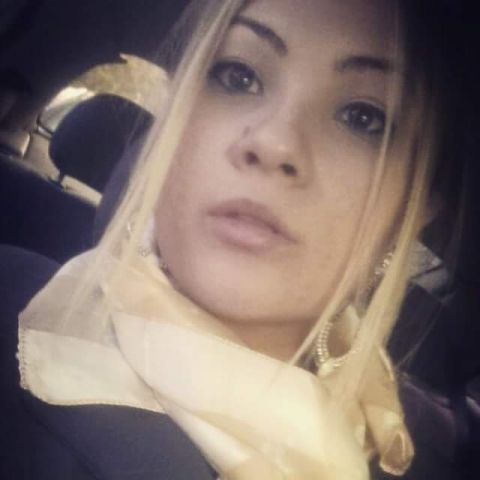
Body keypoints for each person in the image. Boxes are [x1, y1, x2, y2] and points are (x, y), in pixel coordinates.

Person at [15, 0, 460, 478]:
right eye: (238, 77)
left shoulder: (403, 444)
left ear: (413, 210)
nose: (273, 142)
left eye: (362, 117)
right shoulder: (12, 307)